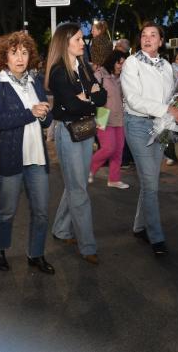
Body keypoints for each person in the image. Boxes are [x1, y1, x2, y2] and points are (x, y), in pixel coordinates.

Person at [0, 31, 54, 275]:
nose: (20, 58)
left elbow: (46, 121)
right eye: (14, 53)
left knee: (42, 212)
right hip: (10, 159)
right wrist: (31, 112)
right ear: (5, 56)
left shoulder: (35, 81)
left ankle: (36, 254)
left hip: (36, 158)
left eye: (24, 53)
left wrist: (45, 114)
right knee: (6, 211)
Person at [121, 21, 178, 256]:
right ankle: (156, 237)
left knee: (151, 181)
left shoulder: (167, 66)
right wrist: (168, 110)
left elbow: (171, 96)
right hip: (137, 125)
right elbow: (134, 100)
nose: (147, 38)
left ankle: (139, 226)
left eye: (153, 35)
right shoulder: (132, 62)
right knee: (150, 183)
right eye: (144, 35)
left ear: (161, 41)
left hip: (161, 125)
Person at [47, 22, 107, 265]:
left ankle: (61, 229)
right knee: (79, 190)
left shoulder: (83, 66)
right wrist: (89, 97)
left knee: (76, 185)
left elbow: (103, 97)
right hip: (68, 132)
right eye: (78, 40)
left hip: (86, 130)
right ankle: (87, 245)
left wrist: (88, 97)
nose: (83, 43)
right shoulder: (59, 71)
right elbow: (71, 106)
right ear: (65, 43)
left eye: (83, 39)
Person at [89, 50, 129, 189]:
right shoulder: (100, 74)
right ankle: (89, 169)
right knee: (108, 148)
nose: (121, 66)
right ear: (113, 61)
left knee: (118, 150)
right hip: (102, 115)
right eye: (119, 62)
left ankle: (114, 179)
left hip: (119, 117)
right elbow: (92, 95)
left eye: (123, 63)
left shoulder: (122, 78)